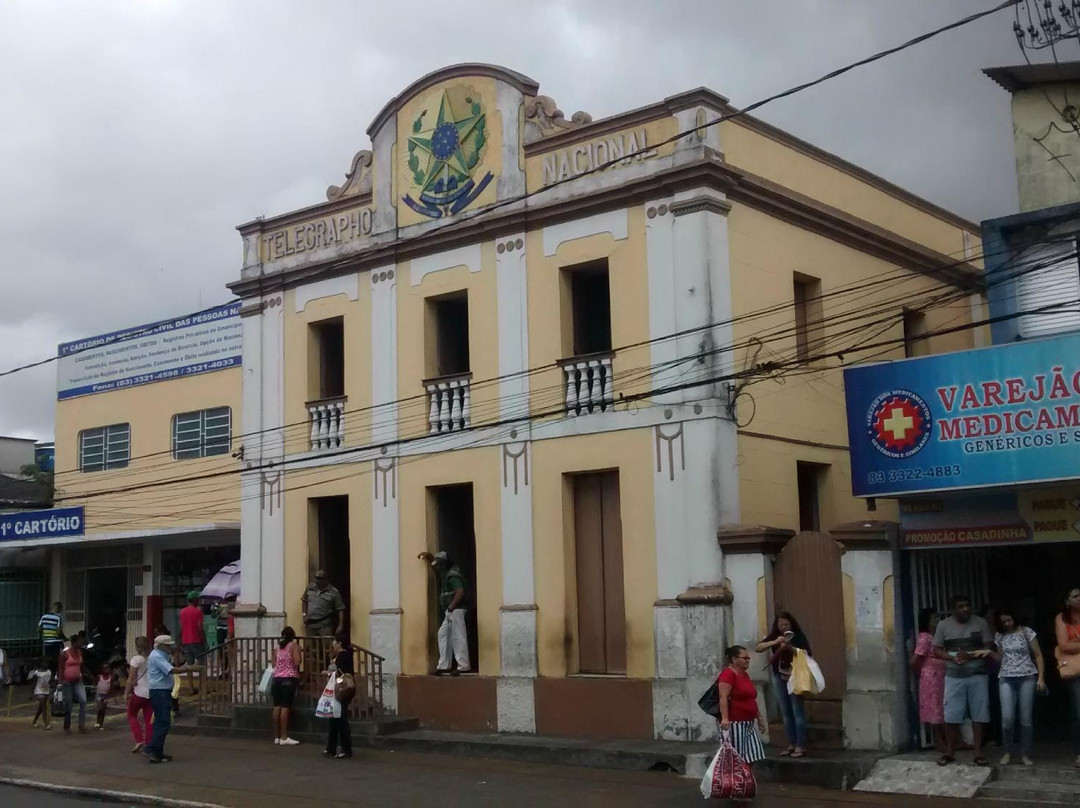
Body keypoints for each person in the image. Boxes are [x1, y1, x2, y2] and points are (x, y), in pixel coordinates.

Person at [933, 594, 994, 766]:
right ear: (953, 609)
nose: (965, 609)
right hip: (954, 675)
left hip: (978, 674)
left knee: (979, 713)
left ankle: (978, 752)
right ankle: (949, 752)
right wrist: (953, 658)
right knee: (951, 714)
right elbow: (937, 649)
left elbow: (988, 646)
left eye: (967, 605)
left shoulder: (981, 623)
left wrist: (971, 655)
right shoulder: (943, 625)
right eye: (960, 606)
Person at [994, 607, 1045, 767]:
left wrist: (1041, 678)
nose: (1007, 624)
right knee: (1007, 719)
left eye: (1009, 620)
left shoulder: (1026, 632)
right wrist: (988, 653)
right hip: (1006, 677)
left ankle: (1025, 753)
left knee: (1026, 719)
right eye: (1003, 621)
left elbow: (1038, 655)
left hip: (1027, 676)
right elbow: (1000, 658)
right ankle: (1008, 751)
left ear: (1015, 618)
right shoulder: (999, 635)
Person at [756, 611, 810, 758]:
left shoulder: (798, 636)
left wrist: (790, 647)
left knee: (797, 711)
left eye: (786, 624)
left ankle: (800, 745)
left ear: (791, 624)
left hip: (795, 676)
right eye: (781, 625)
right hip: (778, 676)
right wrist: (775, 642)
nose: (784, 627)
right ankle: (791, 743)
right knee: (786, 712)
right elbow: (758, 647)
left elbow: (807, 654)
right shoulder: (775, 635)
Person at [418, 550, 471, 674]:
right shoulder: (446, 573)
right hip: (450, 611)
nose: (438, 566)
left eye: (440, 564)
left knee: (458, 636)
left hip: (456, 610)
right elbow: (436, 567)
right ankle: (443, 665)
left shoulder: (452, 575)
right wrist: (429, 557)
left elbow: (460, 592)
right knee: (443, 635)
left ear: (444, 564)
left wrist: (451, 607)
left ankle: (463, 666)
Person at [717, 644, 767, 765]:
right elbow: (723, 698)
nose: (748, 660)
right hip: (735, 723)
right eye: (745, 658)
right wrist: (725, 719)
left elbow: (751, 698)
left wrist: (759, 718)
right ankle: (736, 777)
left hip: (748, 722)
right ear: (734, 659)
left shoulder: (745, 675)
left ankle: (746, 776)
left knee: (753, 754)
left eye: (748, 658)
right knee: (737, 757)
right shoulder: (728, 675)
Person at [144, 634, 191, 763]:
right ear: (161, 645)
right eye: (168, 645)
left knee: (161, 721)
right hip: (160, 691)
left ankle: (157, 752)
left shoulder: (162, 655)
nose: (170, 647)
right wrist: (188, 669)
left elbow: (175, 665)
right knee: (163, 721)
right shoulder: (157, 656)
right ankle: (151, 749)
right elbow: (172, 670)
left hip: (162, 690)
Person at [910, 608, 947, 752]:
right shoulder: (925, 638)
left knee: (944, 707)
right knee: (934, 709)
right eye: (933, 618)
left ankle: (951, 739)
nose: (937, 620)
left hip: (942, 676)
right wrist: (920, 673)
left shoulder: (938, 636)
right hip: (931, 677)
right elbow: (915, 660)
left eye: (937, 617)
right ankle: (939, 740)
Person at [1054, 586, 1080, 769]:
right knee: (1079, 711)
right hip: (1075, 670)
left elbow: (1071, 645)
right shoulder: (1061, 618)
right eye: (1075, 596)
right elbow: (1063, 646)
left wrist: (1075, 643)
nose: (1079, 598)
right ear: (1067, 601)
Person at [325, 633, 354, 759]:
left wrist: (327, 673)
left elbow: (340, 673)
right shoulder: (339, 656)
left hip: (341, 690)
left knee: (341, 719)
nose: (332, 644)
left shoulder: (343, 656)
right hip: (336, 689)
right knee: (333, 718)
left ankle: (346, 749)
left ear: (340, 643)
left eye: (334, 642)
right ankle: (331, 747)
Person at [271, 626, 302, 746]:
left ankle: (276, 737)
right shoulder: (294, 646)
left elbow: (273, 663)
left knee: (276, 707)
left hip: (276, 679)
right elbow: (297, 661)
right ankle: (284, 737)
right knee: (285, 707)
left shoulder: (278, 647)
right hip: (289, 679)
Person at [58, 633, 90, 733]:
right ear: (74, 642)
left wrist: (85, 675)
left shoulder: (80, 653)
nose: (81, 643)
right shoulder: (65, 654)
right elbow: (61, 668)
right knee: (68, 704)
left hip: (78, 681)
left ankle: (81, 725)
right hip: (67, 682)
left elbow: (82, 666)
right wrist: (60, 682)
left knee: (83, 700)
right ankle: (67, 725)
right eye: (80, 641)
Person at [125, 637, 153, 754]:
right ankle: (149, 744)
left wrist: (126, 692)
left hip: (138, 692)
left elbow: (131, 678)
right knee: (149, 720)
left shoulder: (136, 659)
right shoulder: (153, 658)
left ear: (138, 647)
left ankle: (139, 739)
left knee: (131, 714)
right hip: (150, 693)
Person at [302, 570, 345, 638]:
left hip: (324, 625)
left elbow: (340, 609)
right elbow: (304, 600)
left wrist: (340, 625)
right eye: (316, 577)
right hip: (310, 624)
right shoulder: (310, 587)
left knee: (326, 643)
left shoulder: (333, 592)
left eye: (319, 578)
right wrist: (304, 615)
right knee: (309, 643)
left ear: (325, 580)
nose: (317, 580)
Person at [179, 591, 206, 695]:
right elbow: (200, 628)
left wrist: (180, 640)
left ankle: (190, 688)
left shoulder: (182, 612)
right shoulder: (198, 612)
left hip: (186, 641)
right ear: (195, 600)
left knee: (189, 665)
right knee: (202, 664)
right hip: (197, 641)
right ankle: (202, 688)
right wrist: (204, 641)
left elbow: (182, 627)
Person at [39, 602, 65, 672]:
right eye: (60, 609)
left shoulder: (43, 617)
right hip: (56, 642)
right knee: (55, 660)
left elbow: (38, 629)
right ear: (59, 608)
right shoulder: (58, 617)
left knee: (48, 659)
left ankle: (49, 673)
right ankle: (54, 674)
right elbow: (59, 631)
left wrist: (46, 634)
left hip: (47, 642)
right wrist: (64, 638)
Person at [29, 657, 52, 730]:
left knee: (41, 707)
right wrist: (31, 693)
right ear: (41, 664)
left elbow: (50, 682)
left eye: (47, 663)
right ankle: (46, 724)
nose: (46, 664)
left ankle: (34, 721)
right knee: (44, 706)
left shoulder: (49, 672)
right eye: (45, 663)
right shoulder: (37, 673)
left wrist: (51, 690)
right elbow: (34, 683)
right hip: (38, 691)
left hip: (46, 690)